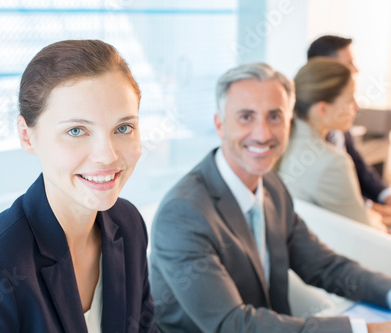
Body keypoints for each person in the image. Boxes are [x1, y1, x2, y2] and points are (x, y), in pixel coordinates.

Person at [149, 62, 391, 332]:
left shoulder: (272, 187)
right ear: (220, 125)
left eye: (274, 116)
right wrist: (366, 331)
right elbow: (233, 325)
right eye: (246, 117)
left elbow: (325, 267)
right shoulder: (182, 214)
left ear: (289, 123)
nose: (262, 133)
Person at [0, 40, 157, 332]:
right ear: (27, 136)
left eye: (123, 128)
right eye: (76, 131)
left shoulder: (128, 224)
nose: (107, 155)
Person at [278, 58, 387, 231]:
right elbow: (365, 233)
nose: (357, 106)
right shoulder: (333, 163)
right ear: (323, 109)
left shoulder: (282, 144)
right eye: (350, 99)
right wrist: (378, 221)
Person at [308, 35, 391, 222]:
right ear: (327, 66)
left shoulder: (338, 114)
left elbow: (356, 161)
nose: (356, 69)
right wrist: (376, 212)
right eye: (349, 63)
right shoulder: (310, 134)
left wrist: (385, 194)